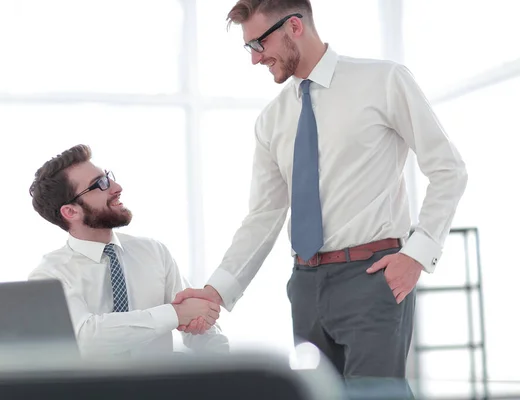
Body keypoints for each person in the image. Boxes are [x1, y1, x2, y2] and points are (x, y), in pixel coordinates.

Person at [173, 0, 467, 379]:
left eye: (258, 44)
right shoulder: (272, 120)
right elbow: (263, 217)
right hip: (305, 285)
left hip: (372, 277)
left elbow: (448, 168)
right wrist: (217, 290)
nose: (255, 59)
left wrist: (416, 254)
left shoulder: (383, 81)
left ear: (294, 26)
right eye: (249, 48)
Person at [28, 144, 228, 360]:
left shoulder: (154, 252)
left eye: (108, 177)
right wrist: (174, 314)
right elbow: (86, 339)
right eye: (100, 184)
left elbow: (199, 323)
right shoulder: (49, 276)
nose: (116, 187)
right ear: (71, 211)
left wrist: (221, 361)